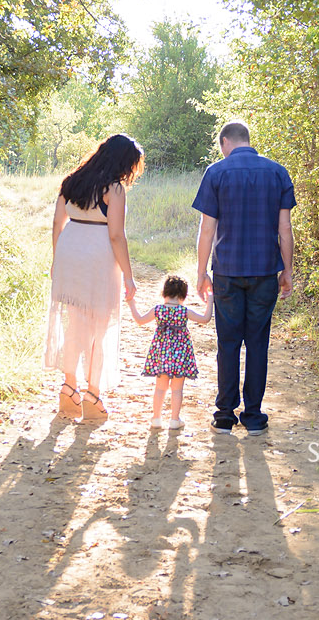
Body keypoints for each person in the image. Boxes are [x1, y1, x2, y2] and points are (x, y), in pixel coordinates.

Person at [192, 120, 296, 436]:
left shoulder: (216, 173)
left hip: (227, 271)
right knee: (257, 343)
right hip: (265, 271)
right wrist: (287, 270)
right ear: (247, 140)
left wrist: (201, 272)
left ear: (225, 141)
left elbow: (207, 228)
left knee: (227, 342)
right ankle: (253, 416)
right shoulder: (278, 172)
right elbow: (285, 229)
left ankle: (224, 415)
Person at [45, 134, 143, 422]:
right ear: (123, 162)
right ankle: (92, 395)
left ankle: (68, 388)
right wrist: (129, 275)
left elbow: (56, 222)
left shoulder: (72, 181)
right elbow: (116, 235)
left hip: (69, 253)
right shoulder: (114, 189)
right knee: (100, 326)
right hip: (97, 258)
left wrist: (56, 259)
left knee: (76, 322)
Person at [128, 274, 212, 429]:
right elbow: (205, 318)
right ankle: (174, 420)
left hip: (162, 354)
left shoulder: (158, 310)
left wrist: (131, 302)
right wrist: (210, 297)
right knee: (177, 389)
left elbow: (140, 320)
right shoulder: (184, 311)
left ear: (164, 292)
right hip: (180, 355)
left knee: (160, 387)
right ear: (183, 295)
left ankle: (156, 418)